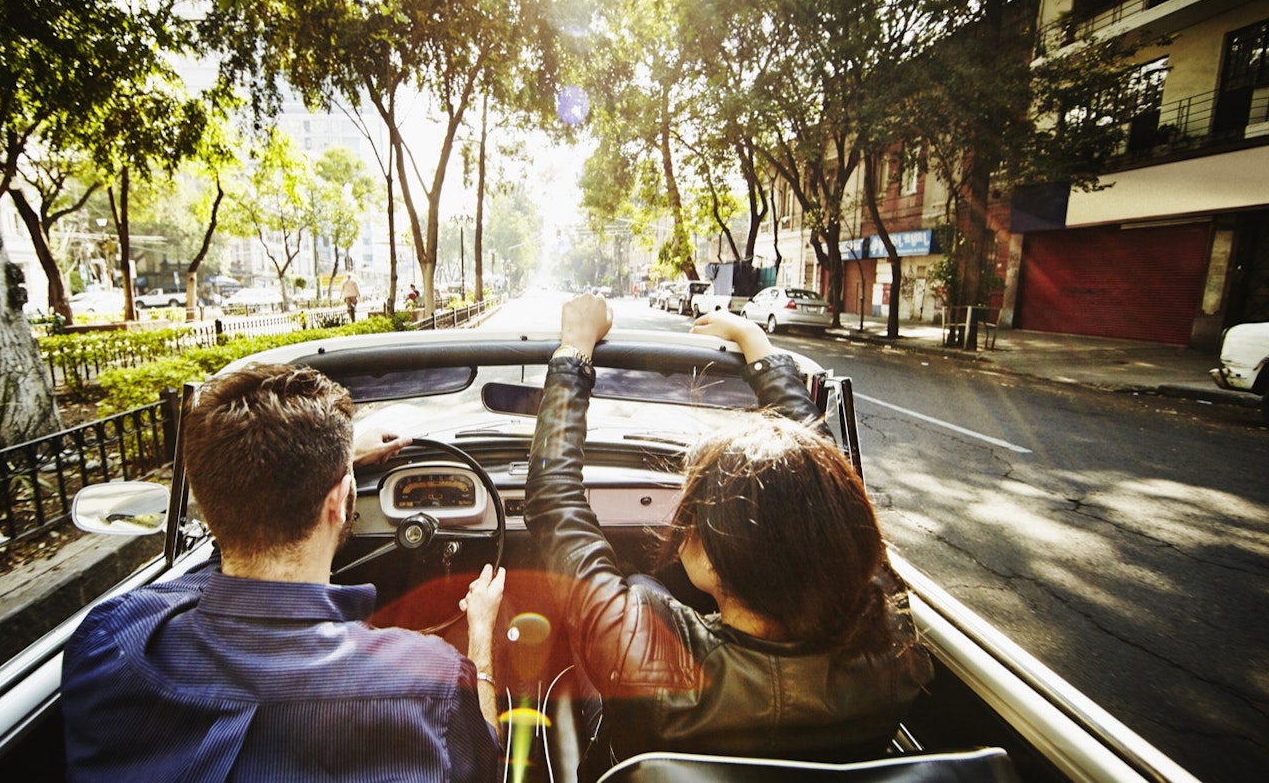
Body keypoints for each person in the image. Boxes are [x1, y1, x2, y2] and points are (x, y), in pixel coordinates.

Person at [523, 295, 932, 779]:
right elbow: (829, 486)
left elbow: (553, 500)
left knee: (639, 596)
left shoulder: (639, 654)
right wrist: (754, 342)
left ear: (717, 562)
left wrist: (574, 352)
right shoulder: (893, 646)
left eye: (694, 512)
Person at [62, 363, 504, 782]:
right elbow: (483, 763)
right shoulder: (431, 681)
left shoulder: (110, 640)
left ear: (206, 496)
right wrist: (480, 637)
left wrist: (330, 463)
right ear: (340, 500)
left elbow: (250, 503)